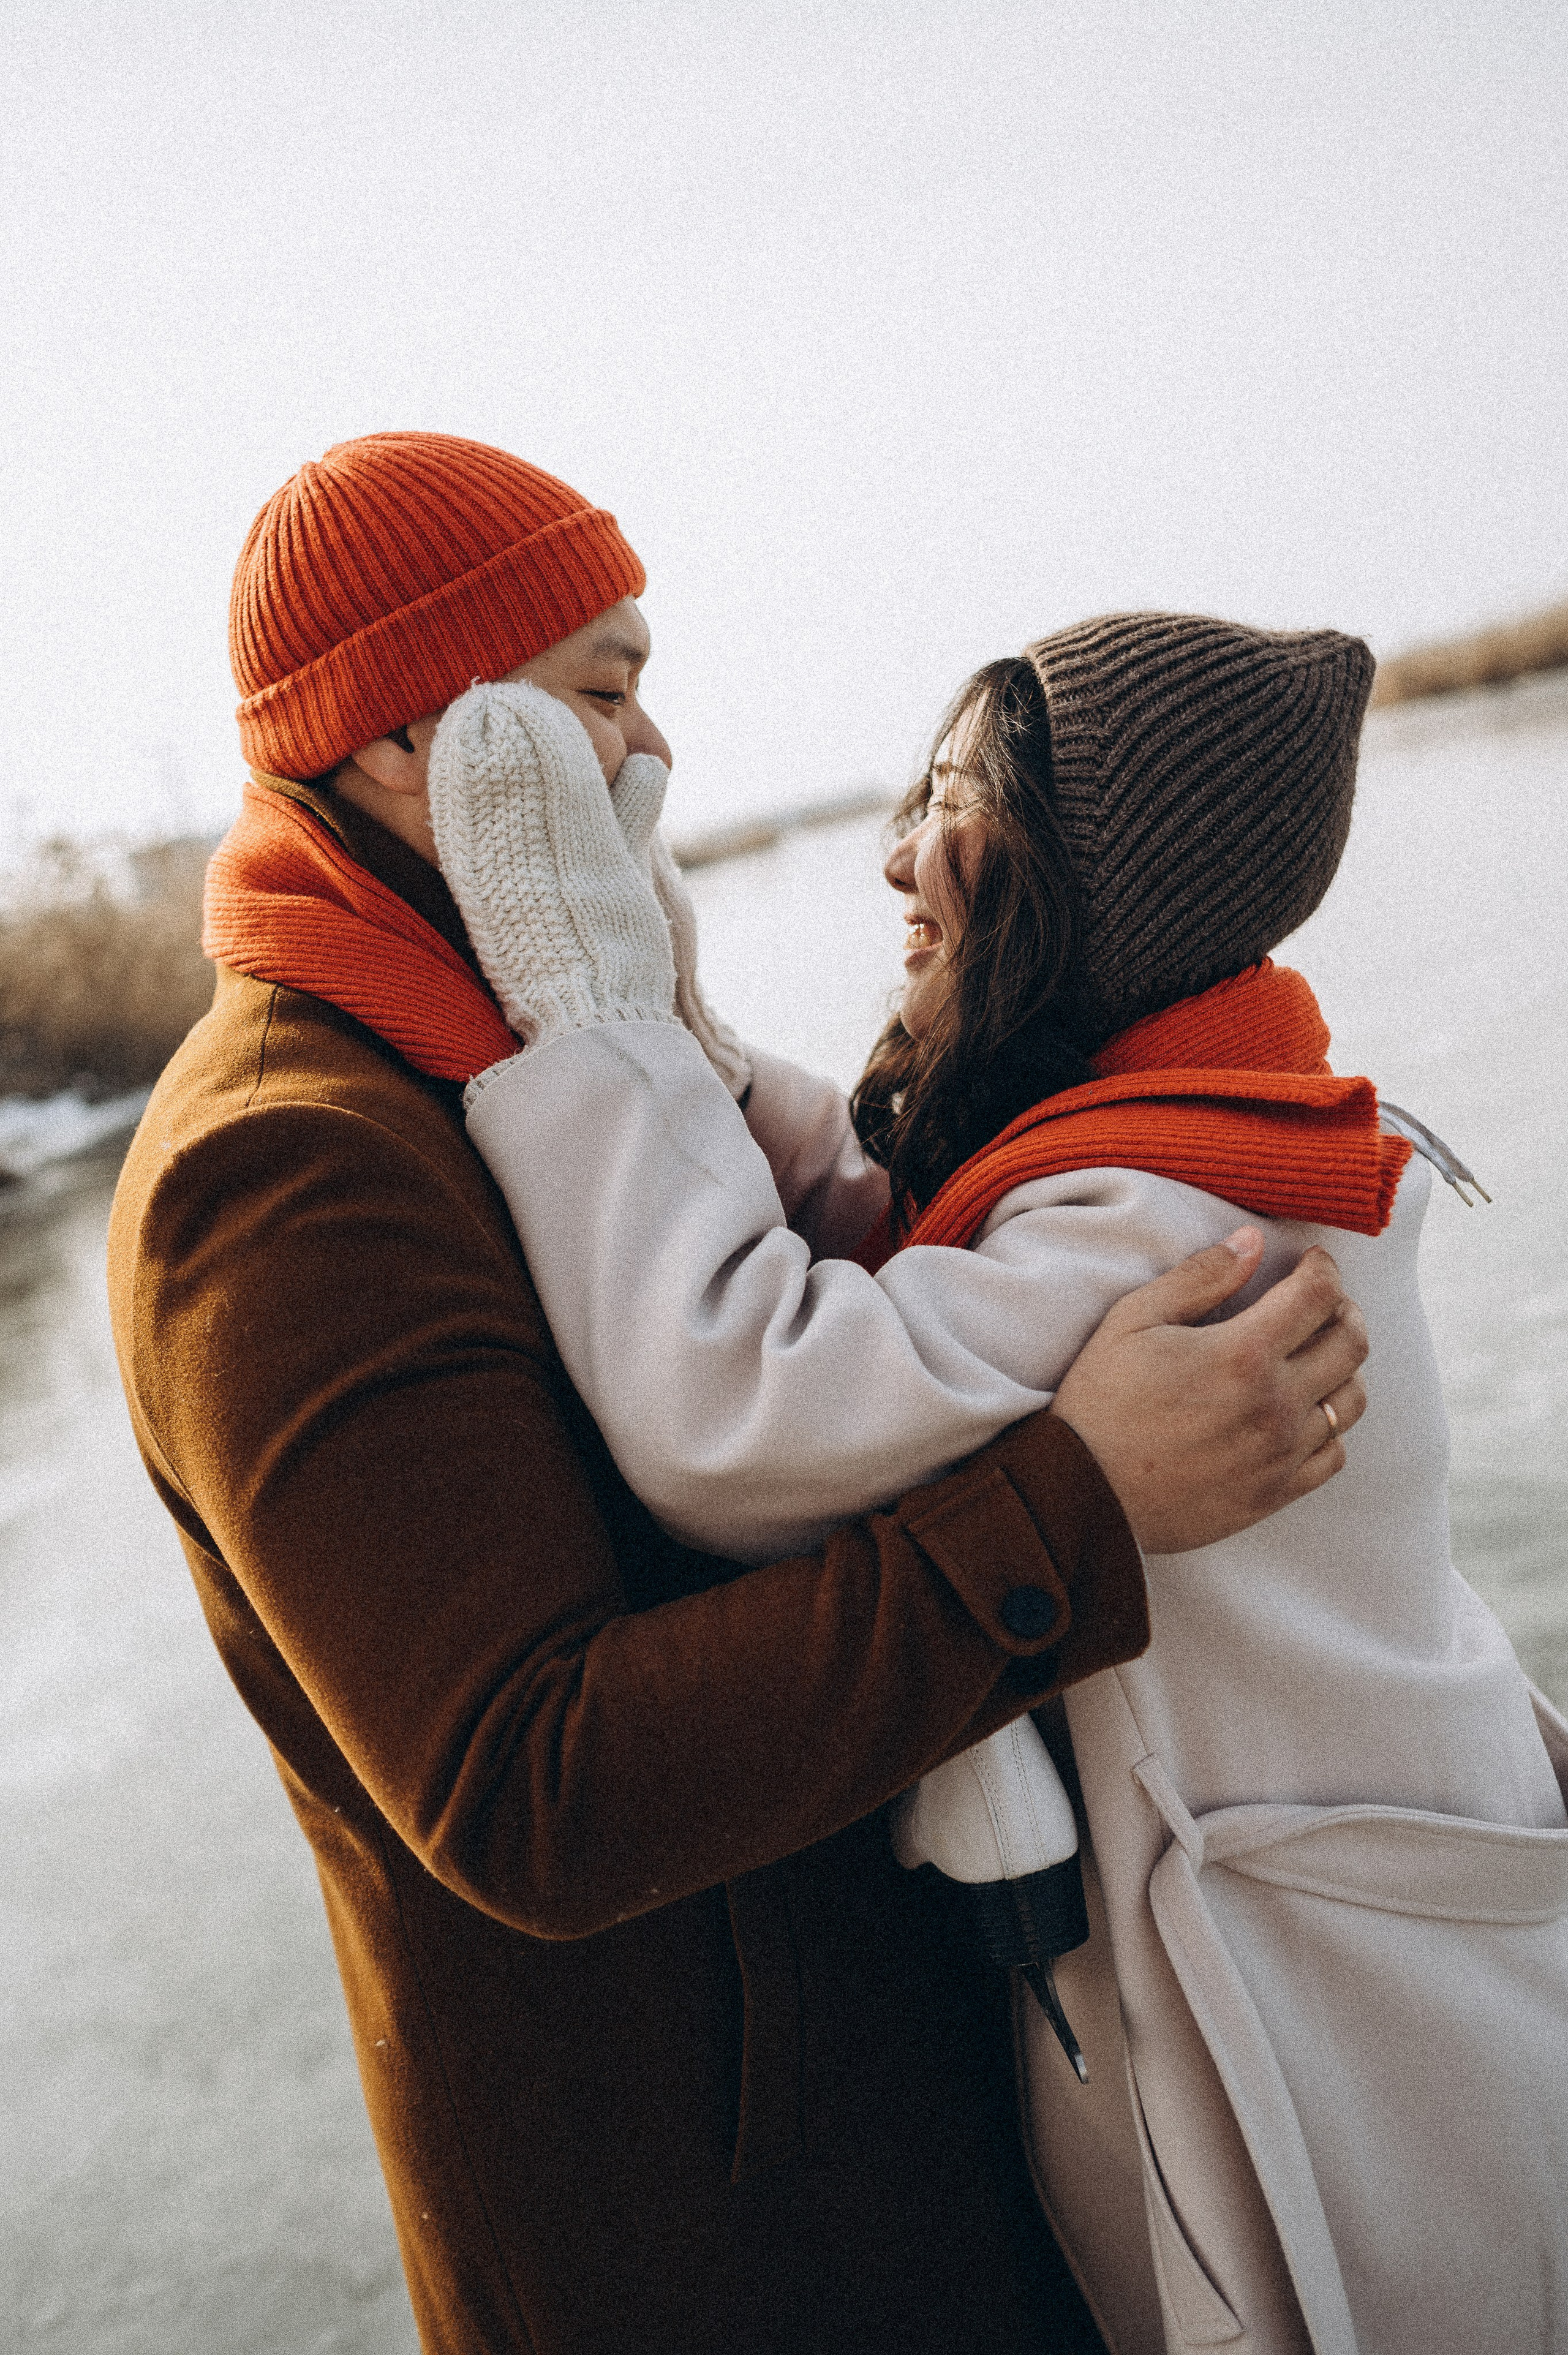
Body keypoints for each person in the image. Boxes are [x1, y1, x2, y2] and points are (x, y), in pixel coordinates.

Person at [107, 432, 1371, 2355]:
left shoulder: (507, 1041)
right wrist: (1082, 1503)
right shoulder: (285, 1169)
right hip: (720, 2255)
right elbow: (534, 1787)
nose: (652, 755)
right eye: (599, 695)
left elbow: (814, 1286)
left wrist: (666, 1033)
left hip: (892, 2131)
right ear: (401, 750)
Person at [421, 618, 1568, 2355]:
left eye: (954, 799)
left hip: (1345, 2027)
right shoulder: (1199, 1144)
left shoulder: (1157, 1227)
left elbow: (748, 1409)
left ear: (1097, 881)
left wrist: (594, 1018)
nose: (895, 851)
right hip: (1388, 1951)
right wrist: (690, 1034)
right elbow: (892, 1241)